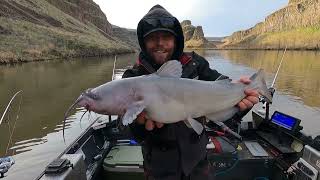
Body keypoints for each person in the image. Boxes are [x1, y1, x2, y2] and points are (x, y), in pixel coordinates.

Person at [122, 4, 259, 180]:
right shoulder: (132, 76)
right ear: (143, 41)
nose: (160, 43)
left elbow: (224, 92)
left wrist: (241, 100)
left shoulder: (195, 64)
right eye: (152, 38)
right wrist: (138, 124)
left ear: (176, 40)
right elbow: (124, 128)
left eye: (166, 37)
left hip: (198, 164)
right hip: (158, 169)